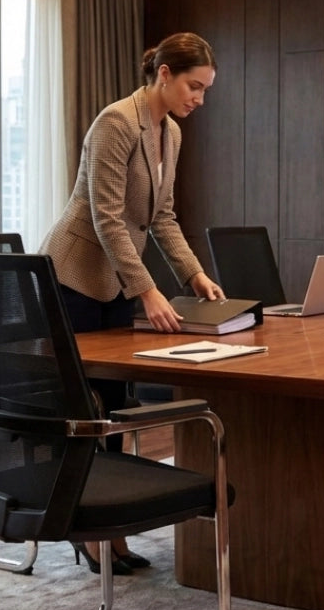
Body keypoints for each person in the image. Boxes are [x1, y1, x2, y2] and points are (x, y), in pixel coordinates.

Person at [40, 31, 224, 574]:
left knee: (116, 404)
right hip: (77, 276)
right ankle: (84, 526)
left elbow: (161, 217)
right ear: (164, 73)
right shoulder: (115, 123)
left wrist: (193, 274)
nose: (200, 99)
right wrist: (147, 287)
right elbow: (106, 217)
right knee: (85, 406)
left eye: (206, 90)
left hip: (117, 280)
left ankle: (111, 527)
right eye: (194, 86)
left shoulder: (171, 132)